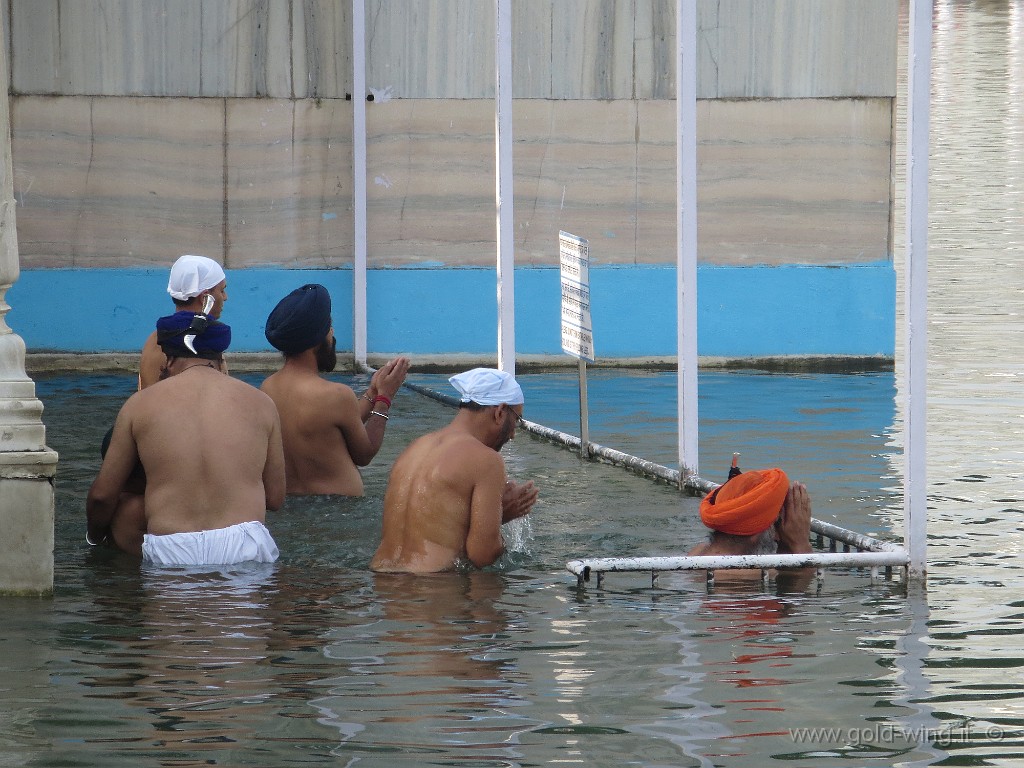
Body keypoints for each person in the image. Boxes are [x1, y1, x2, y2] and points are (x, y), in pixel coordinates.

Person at [87, 309, 285, 566]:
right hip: (245, 547)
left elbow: (103, 496)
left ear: (168, 360)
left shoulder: (138, 405)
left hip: (172, 547)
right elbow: (275, 498)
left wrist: (95, 540)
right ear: (220, 357)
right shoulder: (261, 402)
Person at [371, 367, 539, 574]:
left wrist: (490, 518)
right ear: (500, 412)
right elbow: (482, 555)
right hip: (434, 590)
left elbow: (432, 527)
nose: (513, 434)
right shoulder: (486, 460)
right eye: (517, 421)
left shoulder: (415, 448)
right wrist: (500, 518)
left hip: (384, 587)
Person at [260, 283, 411, 496]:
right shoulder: (336, 395)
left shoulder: (268, 388)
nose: (332, 334)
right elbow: (364, 454)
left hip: (292, 504)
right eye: (329, 327)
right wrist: (385, 398)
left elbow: (330, 424)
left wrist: (373, 393)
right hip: (340, 507)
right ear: (316, 340)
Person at [688, 467, 813, 584]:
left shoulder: (698, 552)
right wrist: (800, 543)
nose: (777, 537)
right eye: (778, 524)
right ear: (756, 530)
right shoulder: (761, 574)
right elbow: (800, 590)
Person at [138, 254, 229, 389]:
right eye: (222, 290)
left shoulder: (156, 339)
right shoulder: (194, 343)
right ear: (205, 297)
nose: (225, 297)